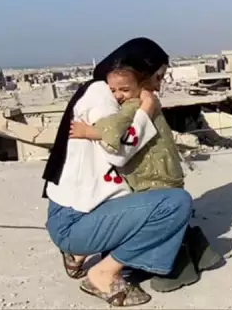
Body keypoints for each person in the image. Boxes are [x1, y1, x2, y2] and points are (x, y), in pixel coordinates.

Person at [42, 38, 193, 307]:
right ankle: (103, 274)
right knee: (175, 204)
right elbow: (118, 152)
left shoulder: (106, 91)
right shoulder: (101, 95)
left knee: (154, 201)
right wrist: (146, 111)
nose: (158, 86)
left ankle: (78, 254)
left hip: (79, 214)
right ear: (142, 72)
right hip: (74, 222)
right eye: (158, 77)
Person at [68, 41, 223, 292]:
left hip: (151, 178)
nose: (159, 85)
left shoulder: (137, 103)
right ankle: (197, 254)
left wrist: (89, 131)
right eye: (158, 77)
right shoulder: (135, 101)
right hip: (159, 176)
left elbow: (118, 133)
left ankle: (175, 268)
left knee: (158, 221)